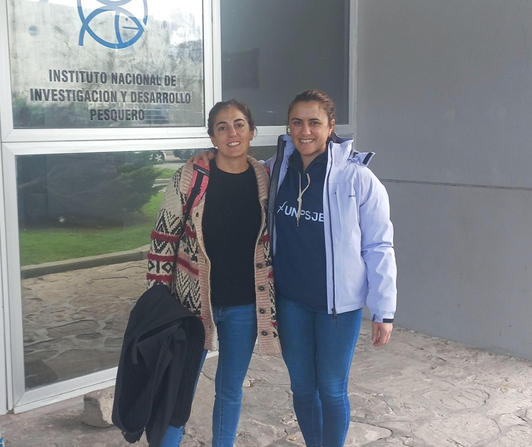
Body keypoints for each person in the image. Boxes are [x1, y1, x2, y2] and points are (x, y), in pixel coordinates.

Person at [146, 99, 281, 447]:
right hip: (191, 306)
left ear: (252, 132)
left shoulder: (265, 180)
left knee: (230, 390)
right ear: (212, 136)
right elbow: (163, 239)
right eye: (222, 127)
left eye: (239, 124)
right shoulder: (190, 177)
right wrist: (157, 297)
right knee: (179, 390)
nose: (231, 133)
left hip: (244, 306)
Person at [268, 89, 397, 447]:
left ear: (331, 126)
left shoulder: (358, 179)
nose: (305, 131)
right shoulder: (276, 170)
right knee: (302, 387)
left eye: (314, 122)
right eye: (297, 122)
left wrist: (383, 310)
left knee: (331, 388)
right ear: (288, 127)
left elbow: (378, 246)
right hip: (290, 301)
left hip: (338, 308)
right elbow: (234, 167)